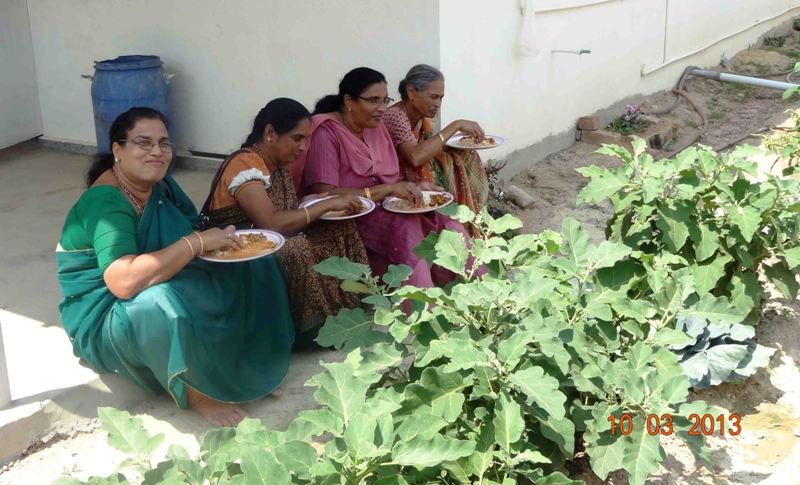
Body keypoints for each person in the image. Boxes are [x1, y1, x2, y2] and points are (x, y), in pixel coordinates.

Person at [56, 107, 293, 427]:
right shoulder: (106, 203)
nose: (157, 151)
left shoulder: (161, 186)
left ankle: (248, 369)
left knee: (251, 265)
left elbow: (189, 229)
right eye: (143, 142)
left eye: (164, 143)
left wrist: (219, 242)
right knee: (160, 304)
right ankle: (199, 393)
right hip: (106, 314)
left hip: (159, 277)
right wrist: (196, 243)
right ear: (117, 150)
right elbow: (122, 281)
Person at [201, 98, 369, 346]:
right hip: (236, 250)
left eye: (307, 139)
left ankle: (348, 309)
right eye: (297, 138)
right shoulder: (245, 164)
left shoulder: (277, 164)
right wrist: (324, 205)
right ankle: (310, 331)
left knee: (340, 225)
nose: (303, 147)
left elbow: (284, 209)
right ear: (270, 133)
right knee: (296, 248)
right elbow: (270, 223)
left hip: (268, 240)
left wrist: (315, 201)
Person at [295, 67, 475, 288]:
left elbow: (388, 178)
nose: (382, 109)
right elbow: (324, 193)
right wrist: (387, 190)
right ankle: (423, 302)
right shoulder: (327, 133)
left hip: (384, 205)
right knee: (407, 228)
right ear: (349, 101)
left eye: (384, 100)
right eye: (373, 101)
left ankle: (475, 287)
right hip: (351, 213)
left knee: (444, 217)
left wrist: (416, 187)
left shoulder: (375, 128)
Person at [382, 64, 489, 214]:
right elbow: (415, 157)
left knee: (466, 154)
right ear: (411, 92)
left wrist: (460, 142)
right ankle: (449, 213)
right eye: (433, 97)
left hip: (408, 173)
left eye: (441, 98)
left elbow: (429, 146)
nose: (438, 104)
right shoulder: (395, 115)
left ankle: (473, 211)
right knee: (433, 163)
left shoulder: (422, 118)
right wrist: (456, 125)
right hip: (393, 180)